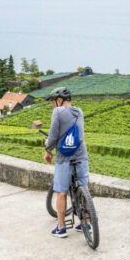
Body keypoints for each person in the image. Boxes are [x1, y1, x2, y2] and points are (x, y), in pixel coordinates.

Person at [43, 87, 88, 238]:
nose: (52, 105)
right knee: (84, 188)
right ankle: (87, 223)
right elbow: (80, 135)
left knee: (61, 192)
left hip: (64, 157)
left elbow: (53, 135)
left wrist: (48, 149)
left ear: (59, 100)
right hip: (81, 155)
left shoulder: (57, 112)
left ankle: (61, 227)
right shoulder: (79, 111)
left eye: (53, 102)